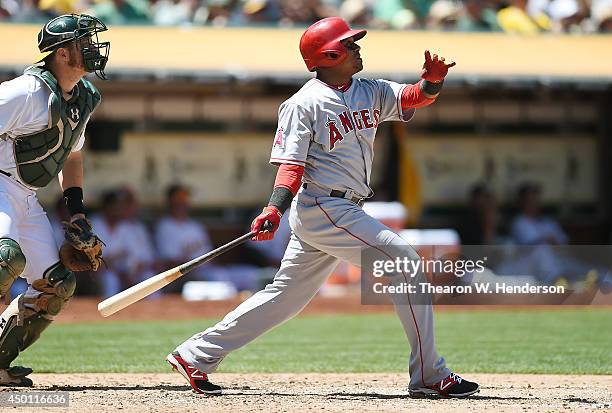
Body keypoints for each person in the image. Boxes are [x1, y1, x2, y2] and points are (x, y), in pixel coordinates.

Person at [166, 16, 479, 398]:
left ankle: (194, 355)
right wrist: (274, 209)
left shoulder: (371, 89)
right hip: (325, 205)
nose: (358, 48)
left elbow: (417, 97)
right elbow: (291, 166)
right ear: (329, 54)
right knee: (405, 262)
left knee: (285, 298)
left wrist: (433, 80)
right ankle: (431, 374)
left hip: (343, 207)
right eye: (350, 44)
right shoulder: (303, 104)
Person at [0, 14, 108, 386]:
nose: (93, 49)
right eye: (84, 43)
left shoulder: (82, 98)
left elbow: (72, 156)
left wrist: (76, 213)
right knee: (4, 259)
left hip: (24, 195)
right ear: (62, 53)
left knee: (57, 284)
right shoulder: (26, 92)